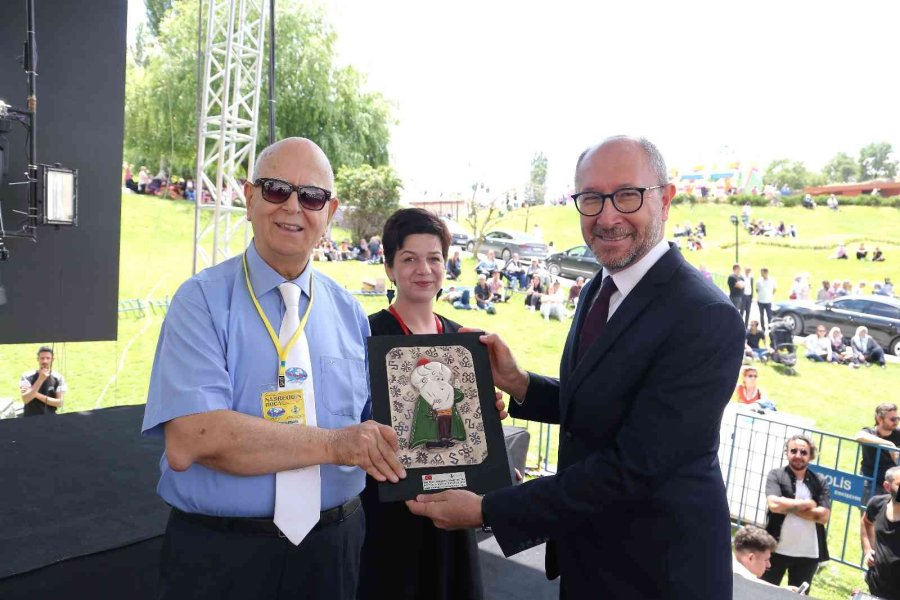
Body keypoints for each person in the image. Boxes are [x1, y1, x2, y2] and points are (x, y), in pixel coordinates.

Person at [405, 136, 746, 598]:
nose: (607, 216)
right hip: (590, 557)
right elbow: (601, 404)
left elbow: (634, 466)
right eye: (591, 199)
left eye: (627, 195)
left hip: (659, 572)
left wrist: (488, 509)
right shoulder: (598, 288)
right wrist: (520, 382)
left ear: (665, 199)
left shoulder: (703, 316)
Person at [141, 137, 405, 599]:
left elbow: (379, 426)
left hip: (332, 551)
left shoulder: (348, 312)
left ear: (329, 211)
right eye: (276, 189)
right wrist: (337, 444)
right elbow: (192, 437)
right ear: (248, 197)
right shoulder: (200, 301)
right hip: (222, 556)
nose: (292, 207)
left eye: (311, 196)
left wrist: (464, 414)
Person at [359, 208, 485, 600]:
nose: (424, 269)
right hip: (387, 508)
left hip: (453, 503)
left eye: (434, 258)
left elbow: (472, 424)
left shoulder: (462, 339)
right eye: (409, 258)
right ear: (389, 268)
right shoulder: (366, 333)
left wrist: (485, 417)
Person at [761, 435, 831, 593]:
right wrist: (806, 504)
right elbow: (774, 505)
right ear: (787, 453)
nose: (798, 455)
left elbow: (823, 516)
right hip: (774, 550)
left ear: (811, 456)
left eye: (803, 452)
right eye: (793, 451)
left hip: (808, 555)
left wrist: (786, 505)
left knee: (799, 597)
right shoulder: (776, 475)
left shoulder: (819, 481)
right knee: (764, 594)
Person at [861, 466, 900, 600]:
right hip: (876, 586)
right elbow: (866, 522)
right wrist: (867, 550)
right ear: (887, 486)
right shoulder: (877, 504)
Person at [855, 403, 900, 505]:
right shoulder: (869, 432)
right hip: (871, 482)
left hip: (893, 484)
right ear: (880, 419)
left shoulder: (898, 433)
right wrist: (889, 444)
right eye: (893, 419)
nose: (896, 422)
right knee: (869, 517)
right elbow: (859, 436)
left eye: (898, 419)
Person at [19, 346, 67, 417]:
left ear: (52, 360)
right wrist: (40, 379)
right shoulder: (26, 376)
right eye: (42, 358)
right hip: (30, 418)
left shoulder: (59, 377)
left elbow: (60, 403)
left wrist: (35, 394)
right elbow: (26, 399)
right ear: (38, 359)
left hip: (51, 417)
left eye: (48, 358)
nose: (45, 361)